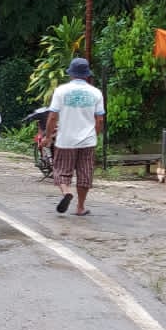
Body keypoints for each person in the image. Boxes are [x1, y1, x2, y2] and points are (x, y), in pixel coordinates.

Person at [45, 57, 106, 215]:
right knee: (85, 173)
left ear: (71, 74)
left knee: (61, 170)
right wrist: (95, 135)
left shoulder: (61, 91)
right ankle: (80, 207)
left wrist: (47, 136)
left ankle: (66, 192)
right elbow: (99, 119)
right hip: (88, 141)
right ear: (87, 75)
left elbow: (52, 117)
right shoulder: (96, 93)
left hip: (65, 140)